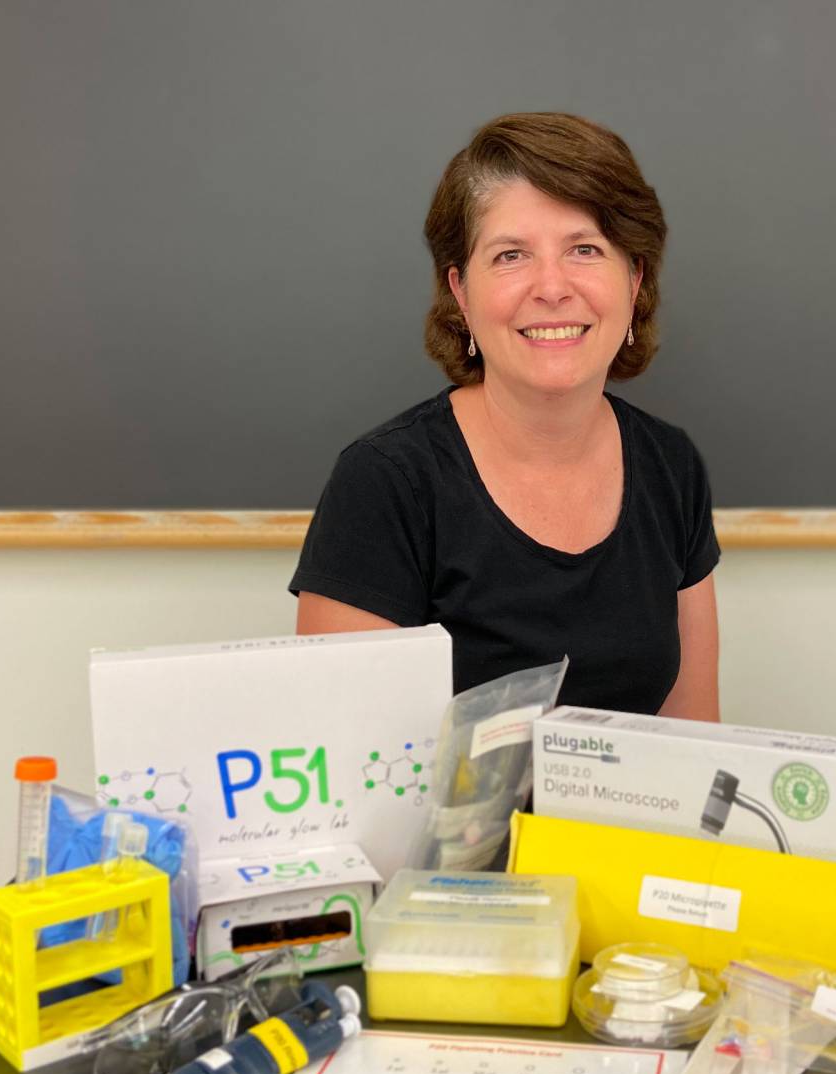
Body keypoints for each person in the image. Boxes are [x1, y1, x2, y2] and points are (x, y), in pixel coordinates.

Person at [291, 113, 720, 720]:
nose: (551, 287)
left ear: (635, 279)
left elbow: (693, 746)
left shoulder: (671, 467)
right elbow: (349, 770)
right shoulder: (386, 482)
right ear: (461, 291)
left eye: (585, 249)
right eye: (511, 254)